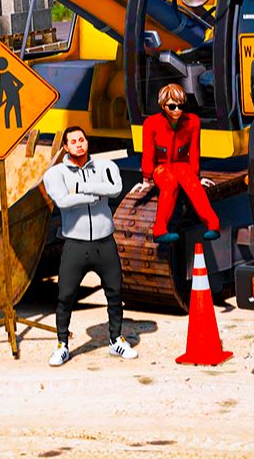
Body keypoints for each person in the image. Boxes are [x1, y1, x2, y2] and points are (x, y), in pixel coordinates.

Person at [41, 126, 139, 366]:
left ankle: (115, 339)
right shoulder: (55, 174)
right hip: (75, 244)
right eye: (73, 141)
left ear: (87, 142)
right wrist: (96, 194)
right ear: (65, 147)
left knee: (115, 293)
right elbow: (63, 201)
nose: (78, 144)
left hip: (105, 242)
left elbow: (115, 189)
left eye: (82, 140)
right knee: (65, 296)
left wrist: (82, 189)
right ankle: (62, 345)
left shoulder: (106, 166)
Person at [133, 83, 221, 244]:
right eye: (172, 106)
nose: (177, 111)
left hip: (182, 164)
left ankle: (213, 225)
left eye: (180, 106)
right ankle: (160, 230)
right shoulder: (151, 124)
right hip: (162, 166)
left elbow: (194, 151)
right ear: (163, 105)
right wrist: (146, 178)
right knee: (169, 185)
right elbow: (148, 152)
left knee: (194, 186)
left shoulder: (192, 122)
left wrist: (197, 175)